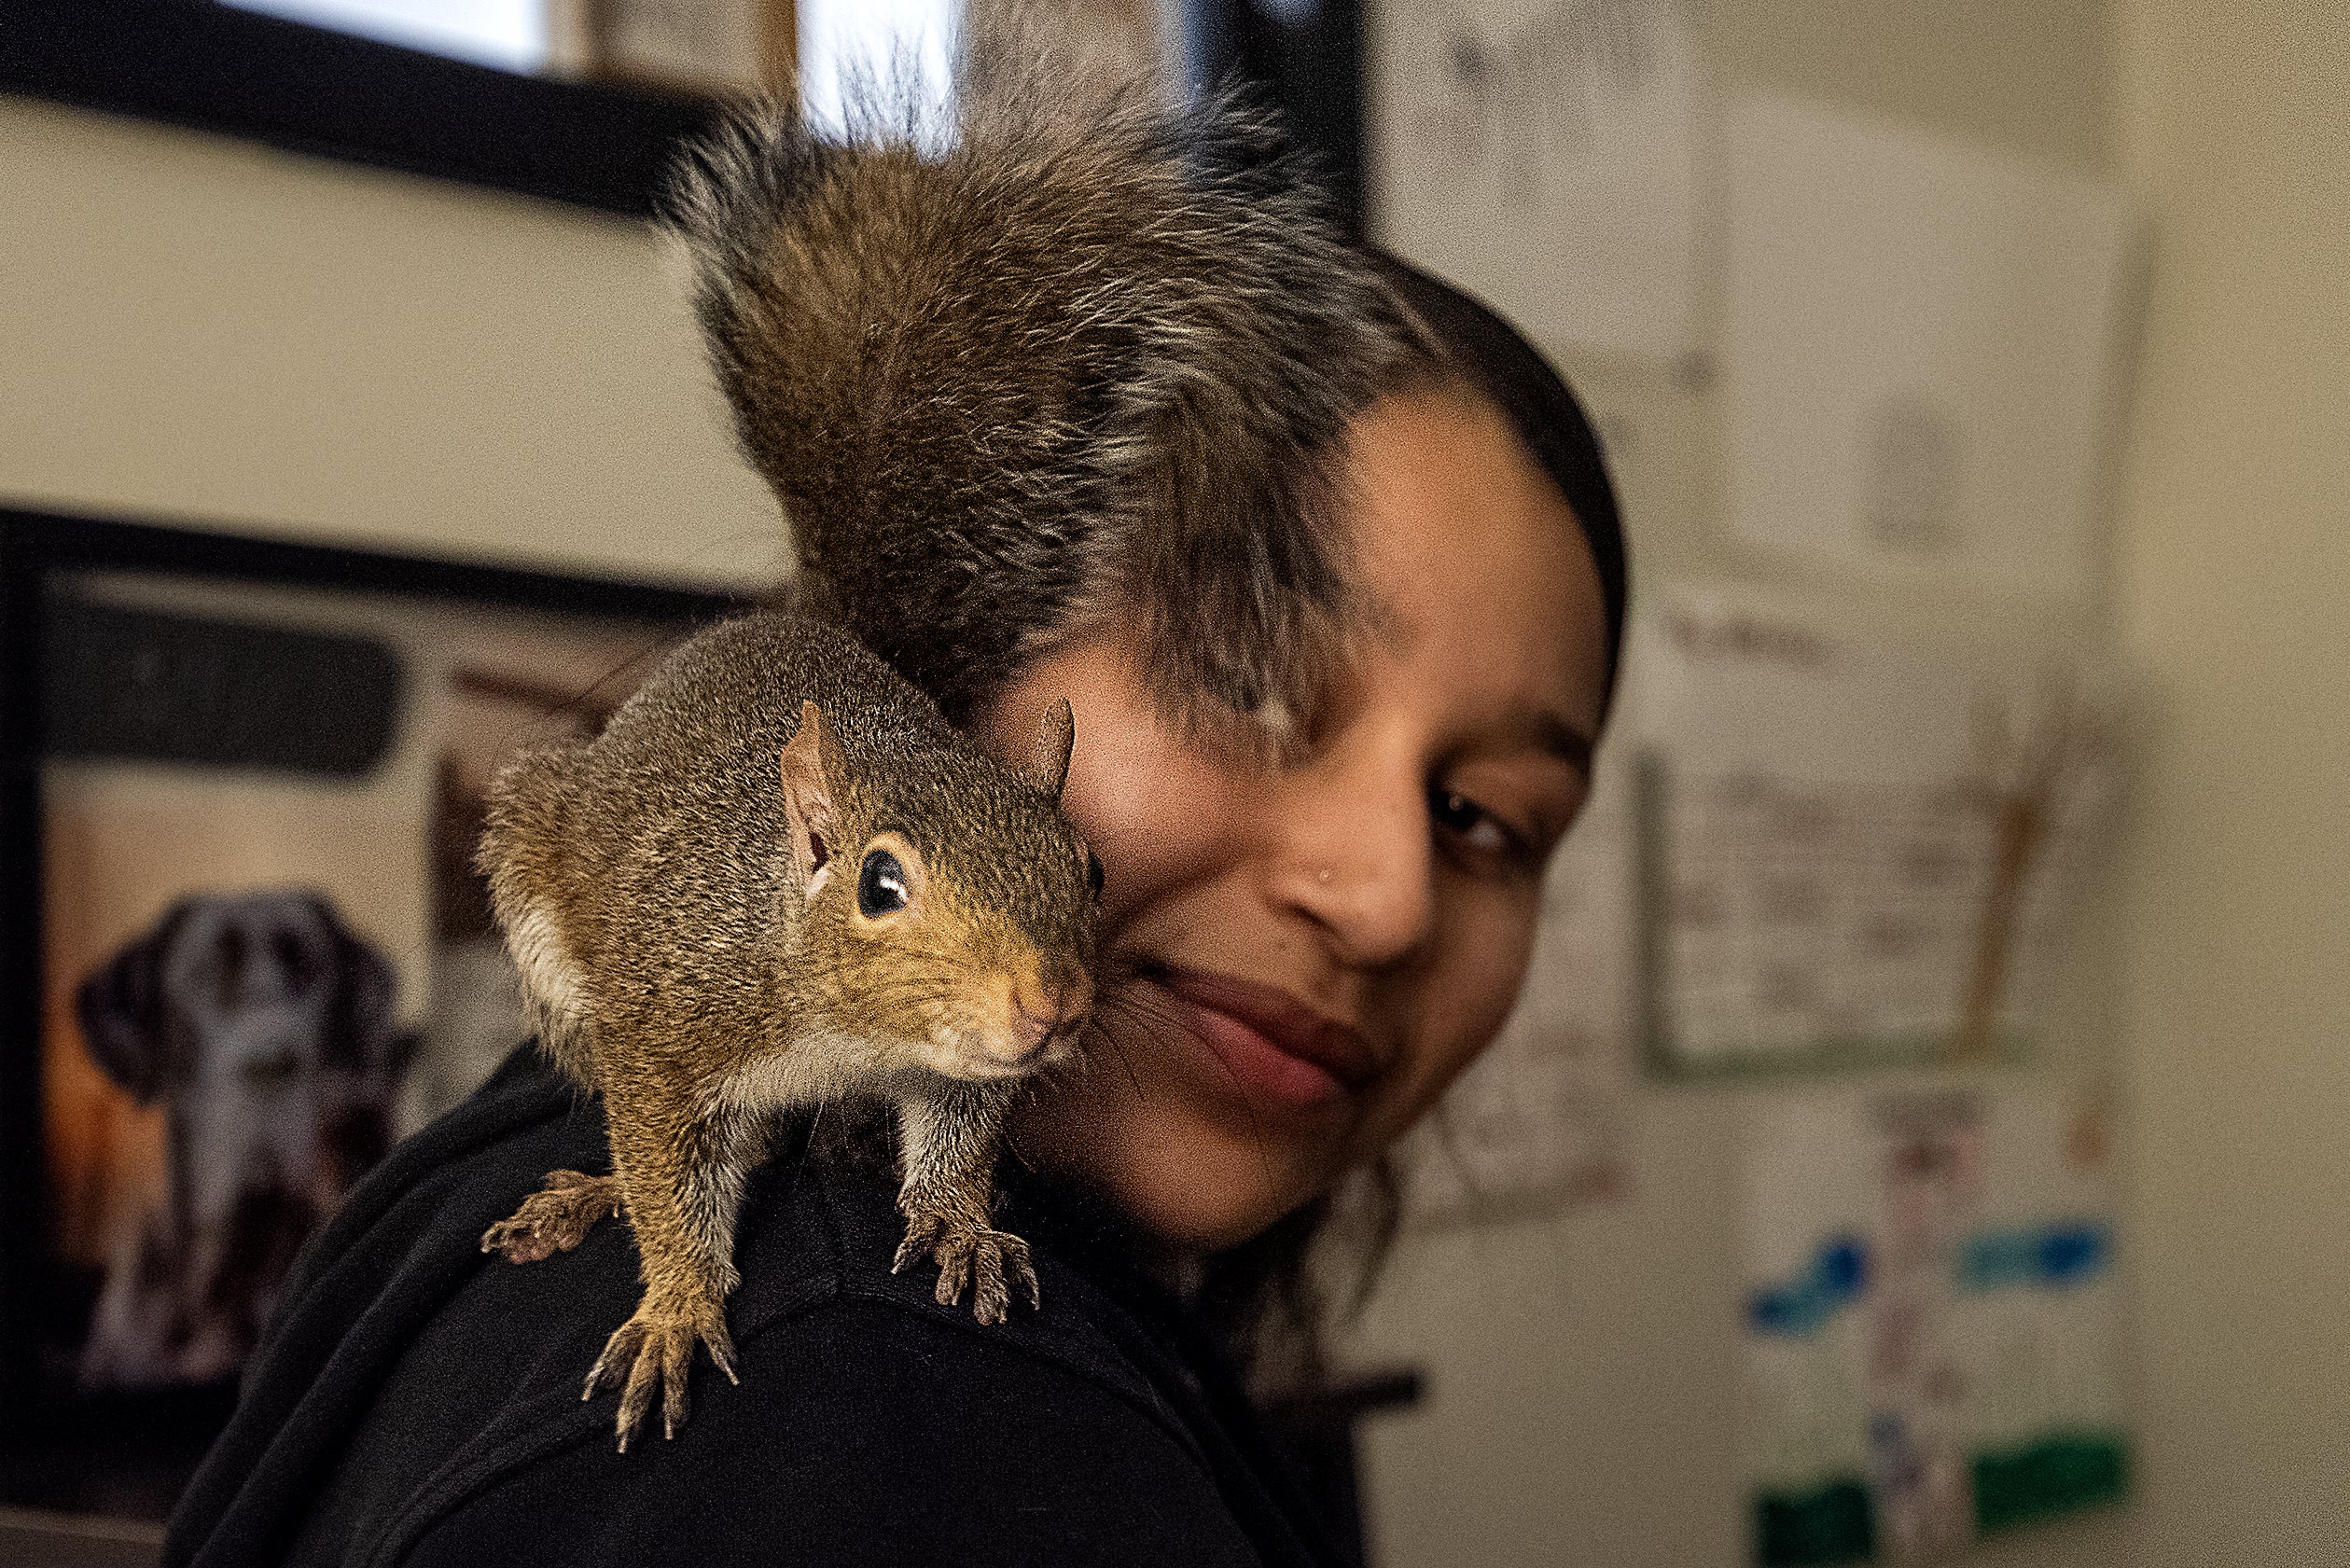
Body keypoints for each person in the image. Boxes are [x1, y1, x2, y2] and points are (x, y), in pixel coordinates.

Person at [160, 101, 1627, 1568]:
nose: (1386, 897)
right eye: (1244, 683)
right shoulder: (876, 1412)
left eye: (1486, 816)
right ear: (941, 652)